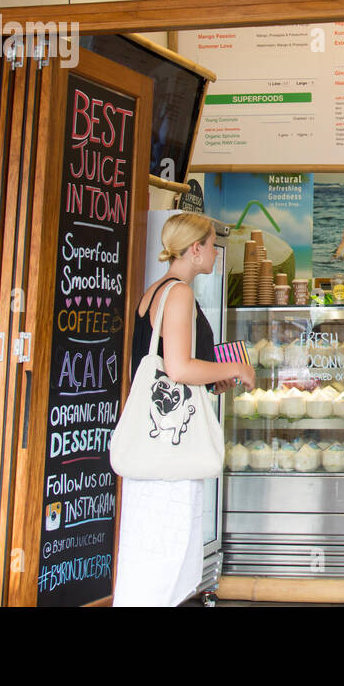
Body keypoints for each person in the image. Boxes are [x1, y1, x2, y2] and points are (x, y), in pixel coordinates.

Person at [113, 213, 256, 607]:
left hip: (155, 446)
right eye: (211, 245)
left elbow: (171, 369)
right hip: (169, 456)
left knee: (150, 560)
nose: (215, 253)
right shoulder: (179, 294)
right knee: (164, 563)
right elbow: (178, 368)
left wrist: (213, 379)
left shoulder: (154, 292)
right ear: (195, 249)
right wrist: (236, 368)